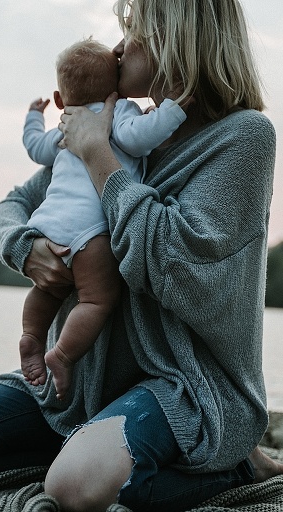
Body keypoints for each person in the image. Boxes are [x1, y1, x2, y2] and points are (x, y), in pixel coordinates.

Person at [0, 0, 283, 510]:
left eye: (133, 31)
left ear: (175, 39)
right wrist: (25, 247)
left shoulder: (243, 138)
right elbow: (12, 205)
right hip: (87, 377)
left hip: (185, 384)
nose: (117, 46)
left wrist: (98, 156)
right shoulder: (111, 124)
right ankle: (95, 443)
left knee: (74, 489)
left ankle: (235, 463)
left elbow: (171, 263)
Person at [19, 38, 186, 400]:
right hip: (91, 230)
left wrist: (35, 115)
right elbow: (139, 139)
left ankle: (31, 336)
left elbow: (34, 146)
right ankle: (61, 355)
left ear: (60, 100)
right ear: (115, 88)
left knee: (46, 288)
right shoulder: (118, 111)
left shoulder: (66, 124)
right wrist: (172, 108)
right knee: (95, 300)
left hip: (49, 223)